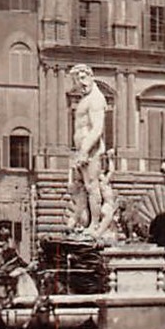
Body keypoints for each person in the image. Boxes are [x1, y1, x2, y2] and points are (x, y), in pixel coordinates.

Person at [67, 64, 108, 236]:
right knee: (80, 188)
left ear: (91, 76)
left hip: (90, 151)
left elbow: (97, 128)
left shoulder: (96, 99)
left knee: (92, 187)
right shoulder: (86, 98)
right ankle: (82, 223)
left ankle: (95, 225)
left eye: (83, 78)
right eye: (77, 81)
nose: (81, 84)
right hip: (82, 151)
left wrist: (84, 151)